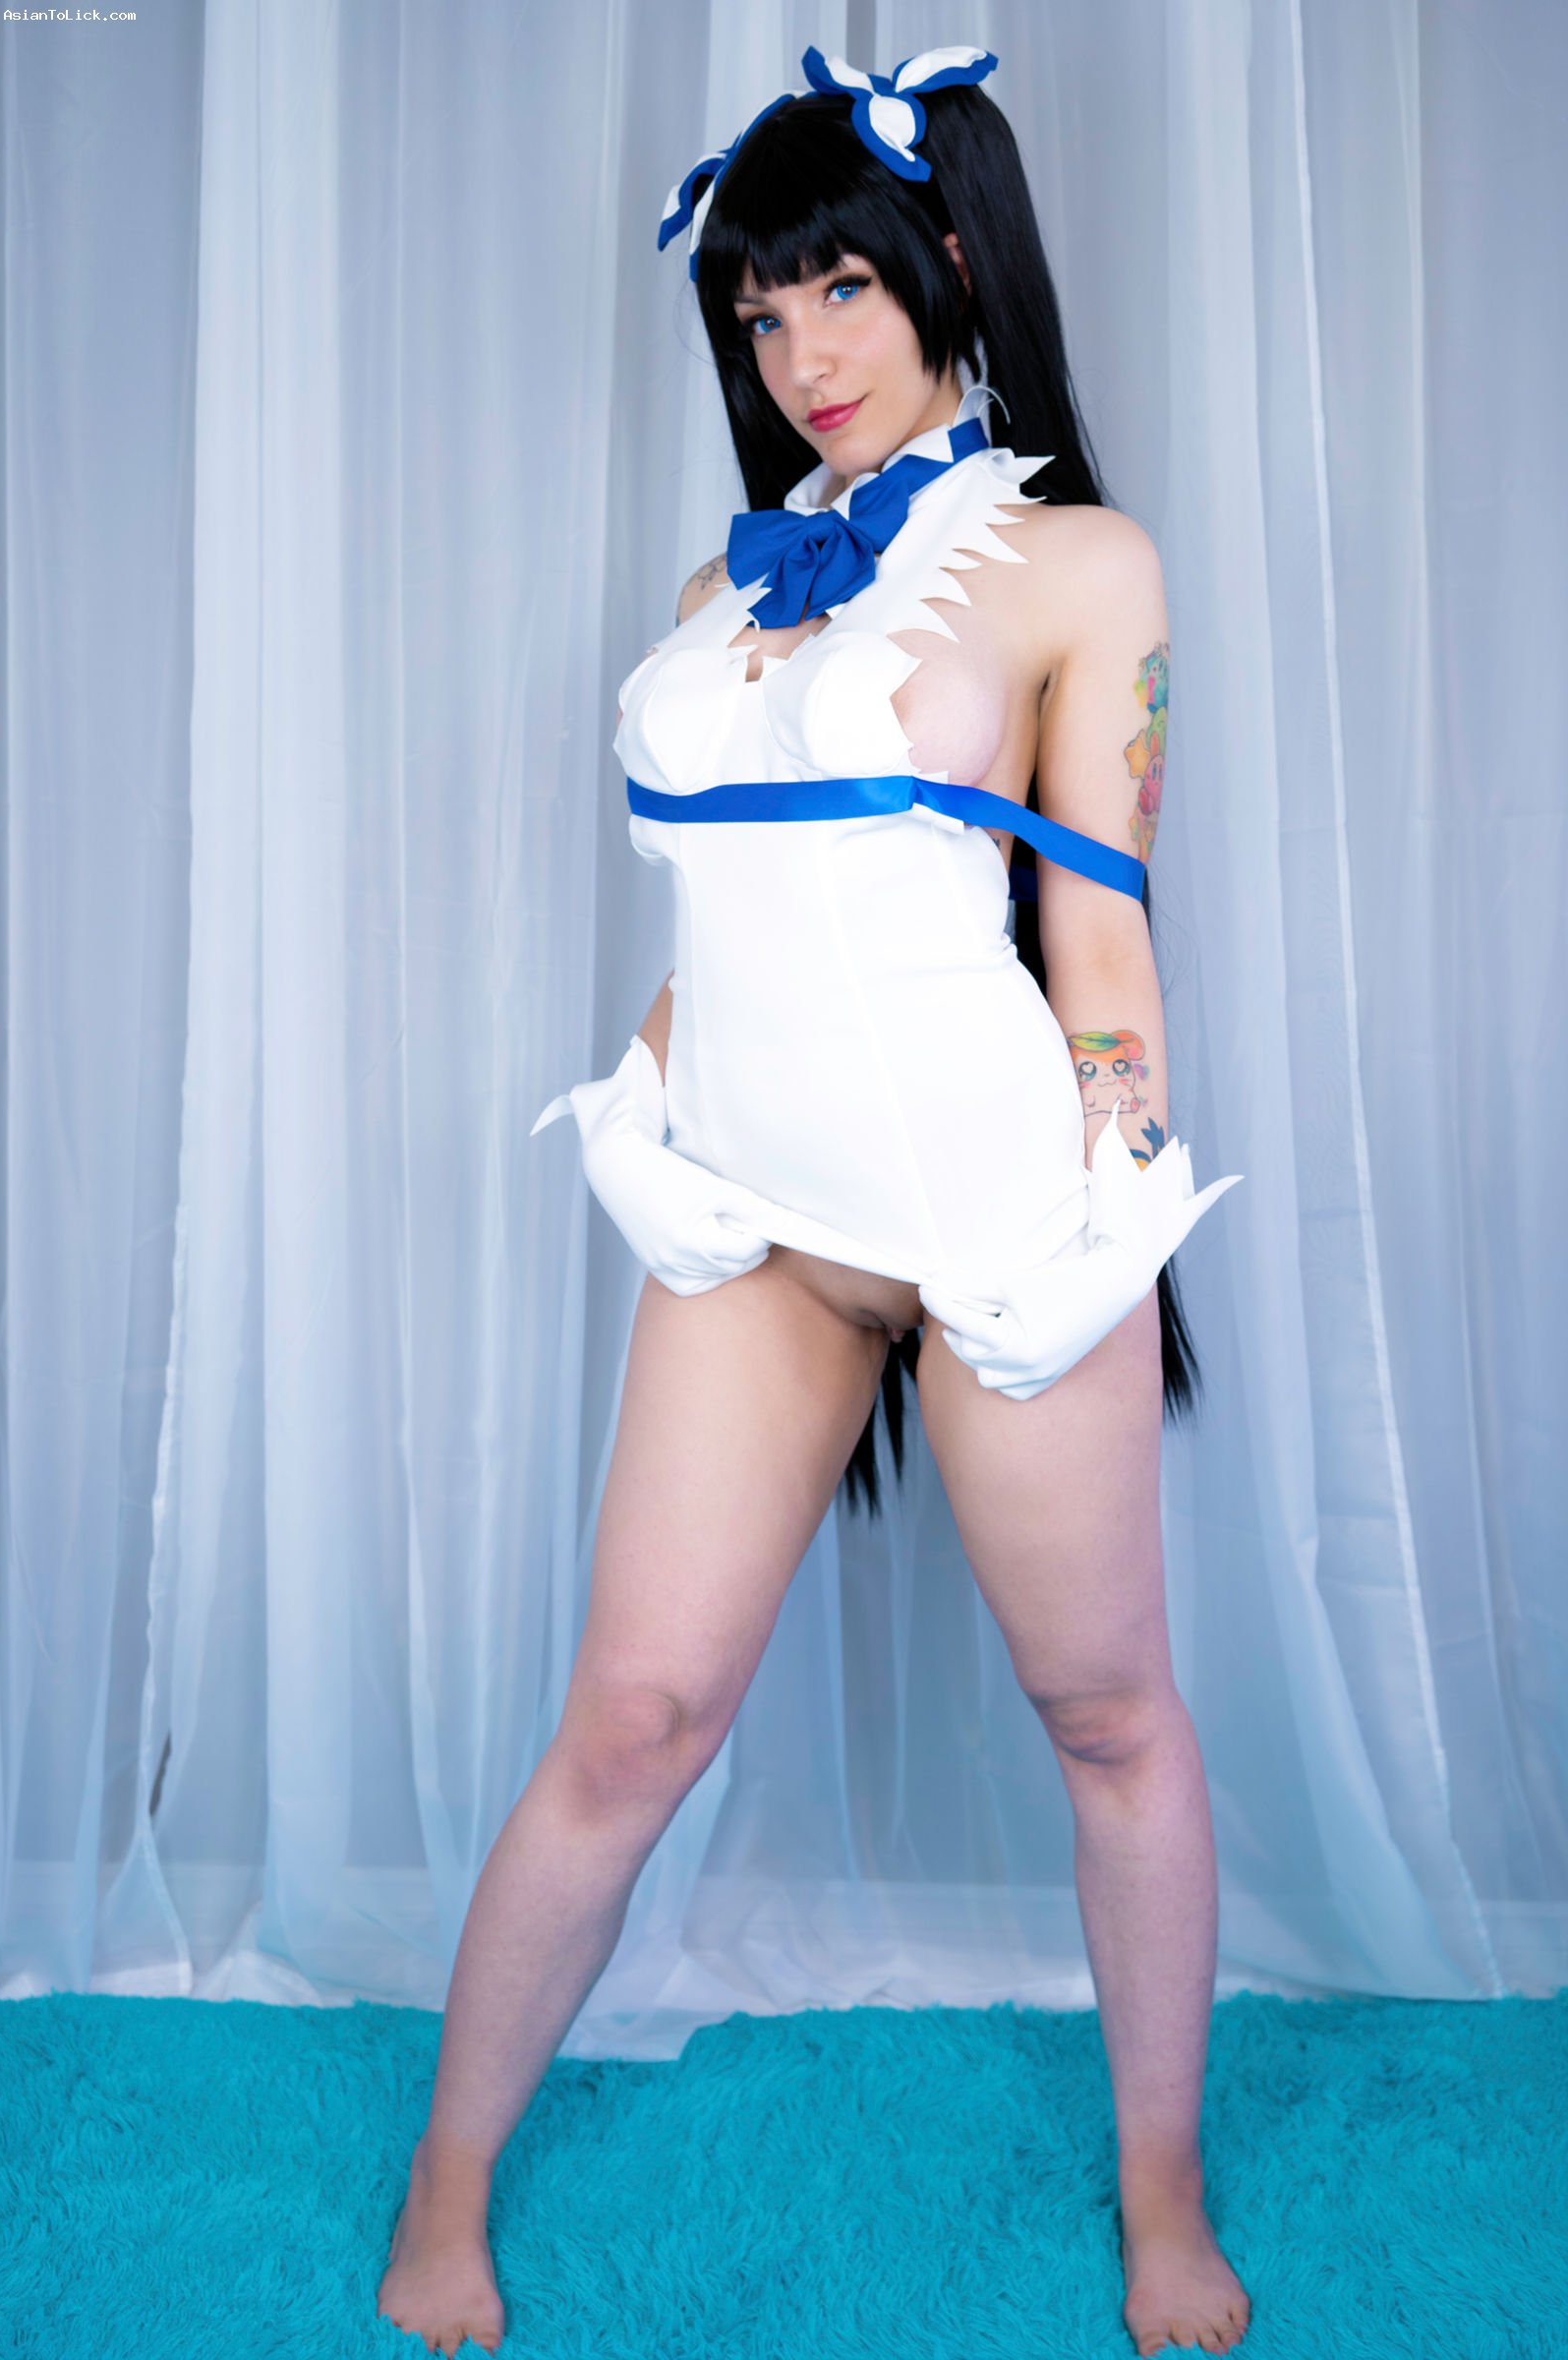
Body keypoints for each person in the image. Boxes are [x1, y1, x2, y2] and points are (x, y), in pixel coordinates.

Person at [378, 43, 1249, 2360]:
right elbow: (733, 914)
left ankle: (1160, 2200)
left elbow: (1093, 928)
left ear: (948, 260)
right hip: (752, 1225)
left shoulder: (1077, 563)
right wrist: (644, 1101)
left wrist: (1110, 1211)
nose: (799, 355)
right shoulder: (723, 578)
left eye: (838, 291)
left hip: (991, 1218)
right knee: (633, 1717)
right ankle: (443, 2189)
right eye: (759, 315)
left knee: (1105, 1716)